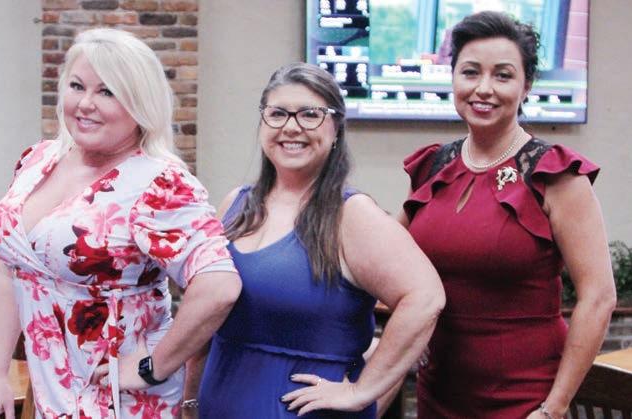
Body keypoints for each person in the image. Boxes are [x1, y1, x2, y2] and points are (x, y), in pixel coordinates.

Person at [0, 28, 241, 419]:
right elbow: (11, 267)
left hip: (118, 400)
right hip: (52, 392)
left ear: (140, 104)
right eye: (77, 86)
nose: (86, 103)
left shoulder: (159, 183)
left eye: (107, 92)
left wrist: (153, 365)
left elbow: (219, 287)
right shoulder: (38, 160)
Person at [181, 62, 445, 419]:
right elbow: (205, 319)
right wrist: (190, 399)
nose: (291, 127)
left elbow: (425, 297)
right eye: (278, 114)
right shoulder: (235, 204)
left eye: (310, 114)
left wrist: (362, 391)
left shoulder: (352, 215)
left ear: (335, 129)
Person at [398, 11, 616, 419]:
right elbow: (391, 264)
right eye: (470, 72)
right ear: (452, 78)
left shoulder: (556, 174)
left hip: (526, 399)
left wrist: (554, 407)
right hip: (438, 393)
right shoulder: (432, 167)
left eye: (502, 75)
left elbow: (599, 297)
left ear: (526, 85)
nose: (484, 88)